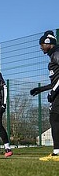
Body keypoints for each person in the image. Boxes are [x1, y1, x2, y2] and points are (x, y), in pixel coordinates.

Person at [30, 30, 59, 161]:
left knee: (54, 120)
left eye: (42, 44)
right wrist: (41, 89)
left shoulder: (57, 54)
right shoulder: (54, 55)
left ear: (48, 43)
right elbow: (55, 81)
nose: (41, 47)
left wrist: (53, 92)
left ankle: (57, 153)